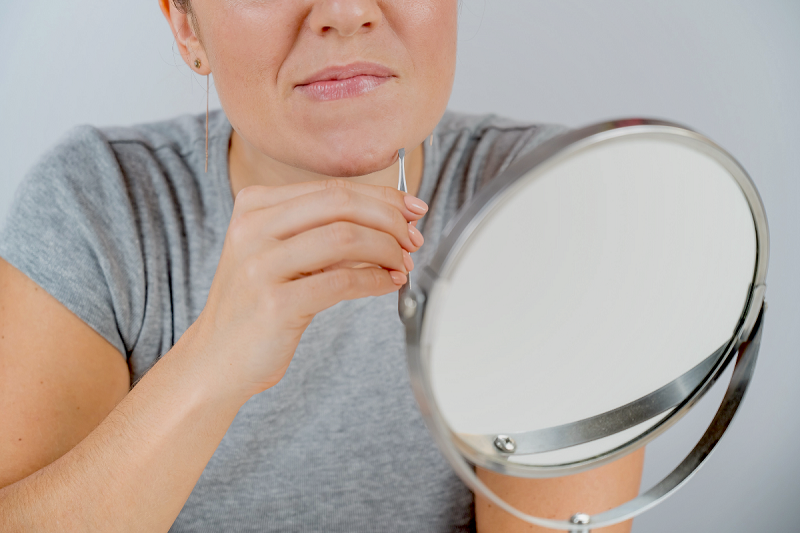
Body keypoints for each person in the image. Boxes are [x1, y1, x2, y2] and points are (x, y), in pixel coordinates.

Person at [0, 1, 644, 531]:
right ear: (186, 26)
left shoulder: (547, 202)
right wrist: (215, 359)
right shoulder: (97, 203)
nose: (345, 12)